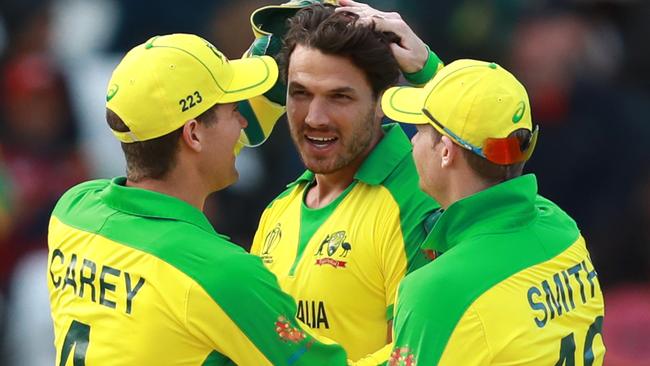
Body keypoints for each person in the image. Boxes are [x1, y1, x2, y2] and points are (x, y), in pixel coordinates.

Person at [46, 33, 348, 365]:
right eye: (234, 109)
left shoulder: (73, 211)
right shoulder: (222, 274)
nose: (244, 120)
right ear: (192, 134)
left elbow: (185, 146)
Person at [249, 1, 442, 362]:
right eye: (300, 93)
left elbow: (422, 353)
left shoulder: (419, 200)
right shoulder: (279, 209)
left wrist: (428, 69)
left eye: (339, 96)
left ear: (384, 100)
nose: (314, 118)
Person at [381, 59, 606, 365]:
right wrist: (430, 66)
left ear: (445, 151)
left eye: (420, 129)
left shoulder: (435, 291)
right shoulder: (561, 226)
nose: (412, 140)